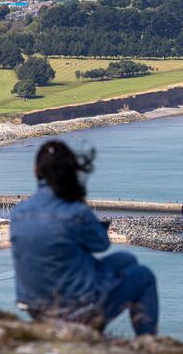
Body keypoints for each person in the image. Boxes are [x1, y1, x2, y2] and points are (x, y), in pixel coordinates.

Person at [10, 140, 158, 336]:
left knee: (126, 259)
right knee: (144, 276)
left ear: (36, 170)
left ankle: (94, 328)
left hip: (35, 306)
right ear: (71, 171)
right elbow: (101, 244)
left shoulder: (19, 212)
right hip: (75, 308)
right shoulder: (75, 211)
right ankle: (147, 342)